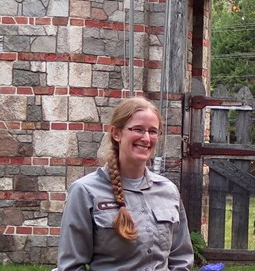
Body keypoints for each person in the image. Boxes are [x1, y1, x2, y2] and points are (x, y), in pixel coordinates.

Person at [56, 97, 195, 271]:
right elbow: (71, 266)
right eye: (138, 129)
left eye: (153, 131)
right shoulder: (85, 191)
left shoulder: (168, 190)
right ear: (116, 133)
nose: (146, 138)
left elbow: (181, 259)